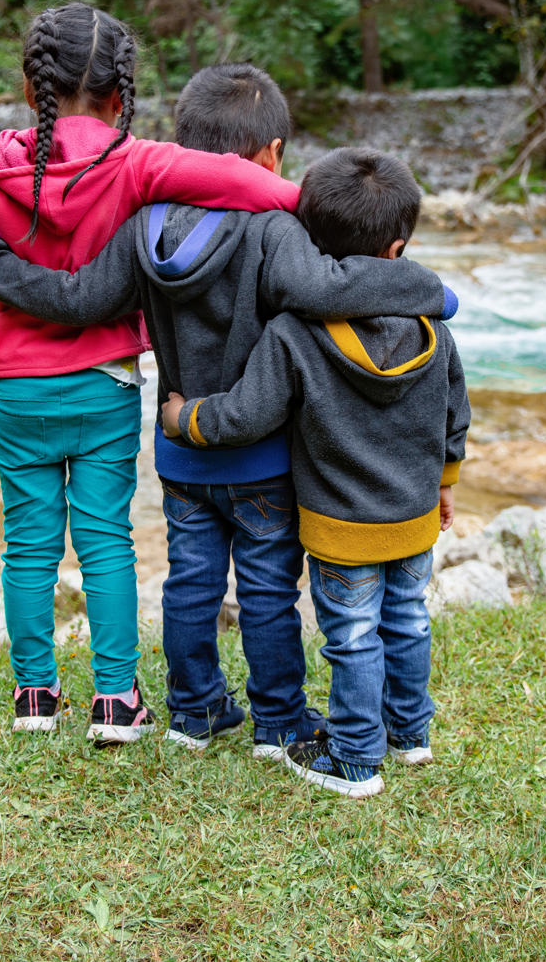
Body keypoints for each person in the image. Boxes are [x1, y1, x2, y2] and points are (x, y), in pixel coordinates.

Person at [0, 64, 456, 758]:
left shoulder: (143, 227)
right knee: (265, 590)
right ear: (273, 155)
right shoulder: (274, 231)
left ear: (184, 145)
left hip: (179, 446)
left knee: (190, 582)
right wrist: (423, 290)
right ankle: (278, 722)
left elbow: (78, 301)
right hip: (263, 456)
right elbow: (328, 289)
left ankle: (193, 712)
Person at [0, 4, 302, 747]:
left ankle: (34, 696)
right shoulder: (136, 162)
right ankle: (116, 701)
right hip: (103, 382)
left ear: (30, 88)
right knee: (106, 537)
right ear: (121, 95)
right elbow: (259, 188)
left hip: (12, 381)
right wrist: (339, 210)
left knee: (26, 541)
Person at [158, 148, 469, 798]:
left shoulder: (297, 333)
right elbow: (454, 416)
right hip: (413, 516)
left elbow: (245, 415)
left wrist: (185, 418)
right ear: (399, 246)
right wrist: (444, 484)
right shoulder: (435, 328)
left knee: (353, 637)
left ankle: (356, 759)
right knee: (408, 618)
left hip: (339, 527)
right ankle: (410, 735)